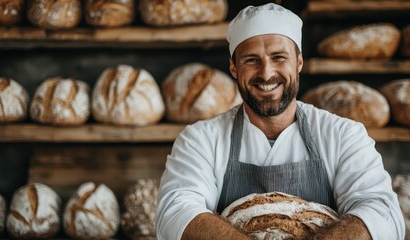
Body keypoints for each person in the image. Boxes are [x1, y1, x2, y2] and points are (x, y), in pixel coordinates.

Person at [155, 3, 405, 240]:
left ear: (299, 62)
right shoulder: (201, 139)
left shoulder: (342, 134)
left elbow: (382, 213)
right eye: (251, 60)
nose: (266, 73)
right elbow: (175, 211)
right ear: (233, 68)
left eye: (278, 57)